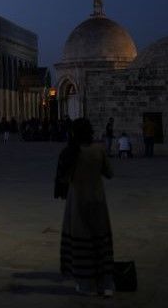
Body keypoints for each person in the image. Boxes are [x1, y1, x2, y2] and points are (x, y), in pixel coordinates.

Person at [56, 118, 115, 297]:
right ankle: (106, 284)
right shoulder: (99, 150)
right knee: (100, 240)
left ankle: (86, 284)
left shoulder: (71, 153)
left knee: (82, 241)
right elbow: (109, 173)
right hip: (97, 200)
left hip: (77, 201)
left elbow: (63, 178)